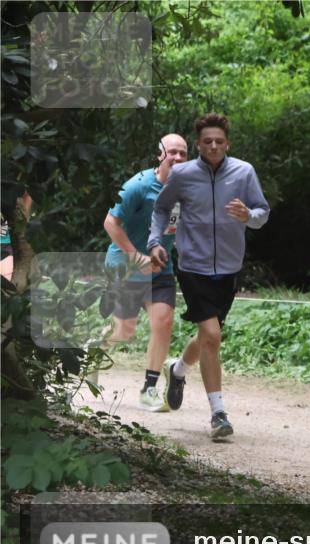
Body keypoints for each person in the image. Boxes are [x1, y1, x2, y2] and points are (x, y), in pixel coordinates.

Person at [149, 113, 269, 441]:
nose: (214, 146)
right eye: (207, 141)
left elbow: (262, 212)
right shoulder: (183, 174)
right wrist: (155, 242)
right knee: (212, 336)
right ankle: (218, 414)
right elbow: (161, 208)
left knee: (207, 337)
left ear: (227, 143)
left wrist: (249, 215)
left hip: (229, 268)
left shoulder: (244, 172)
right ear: (198, 145)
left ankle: (177, 370)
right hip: (193, 267)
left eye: (219, 141)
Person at [100, 134, 188, 410]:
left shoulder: (186, 189)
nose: (177, 157)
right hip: (125, 266)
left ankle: (149, 388)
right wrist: (136, 256)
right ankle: (93, 350)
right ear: (160, 154)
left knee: (164, 322)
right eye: (172, 152)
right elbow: (110, 223)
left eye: (183, 153)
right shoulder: (138, 186)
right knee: (124, 330)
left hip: (161, 269)